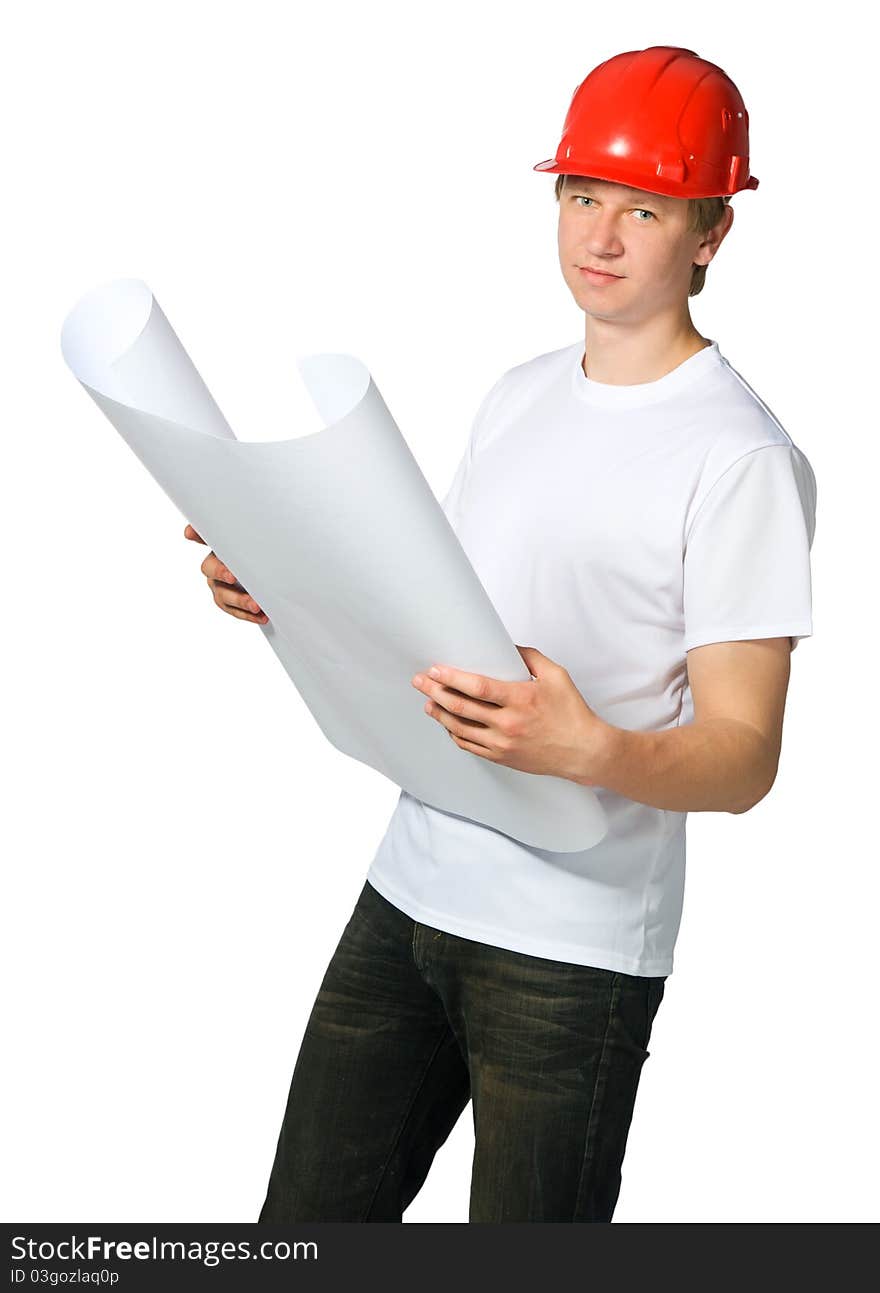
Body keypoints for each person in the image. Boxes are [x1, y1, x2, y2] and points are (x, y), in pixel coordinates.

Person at [185, 46, 817, 1222]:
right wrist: (290, 590)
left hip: (568, 956)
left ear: (709, 235)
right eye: (582, 195)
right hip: (409, 891)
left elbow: (745, 757)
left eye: (644, 207)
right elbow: (439, 625)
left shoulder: (742, 459)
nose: (603, 235)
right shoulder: (516, 394)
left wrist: (585, 747)